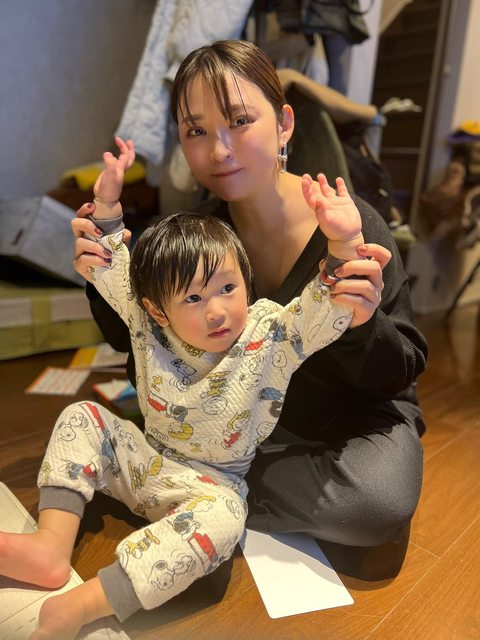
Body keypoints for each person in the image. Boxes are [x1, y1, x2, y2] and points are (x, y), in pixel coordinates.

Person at [75, 37, 424, 601]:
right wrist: (99, 268)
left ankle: (186, 492)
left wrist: (361, 324)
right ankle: (200, 491)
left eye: (240, 121)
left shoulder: (348, 227)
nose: (219, 150)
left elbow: (397, 374)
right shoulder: (198, 237)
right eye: (196, 131)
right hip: (235, 423)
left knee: (376, 502)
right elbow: (136, 338)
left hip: (347, 418)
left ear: (284, 124)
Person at [0, 129, 377, 638]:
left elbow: (326, 306)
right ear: (158, 310)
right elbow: (111, 265)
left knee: (226, 520)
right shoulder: (147, 321)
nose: (218, 310)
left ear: (245, 280)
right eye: (194, 299)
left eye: (228, 287)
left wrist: (343, 241)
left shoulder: (269, 332)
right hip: (143, 460)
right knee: (80, 415)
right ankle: (49, 546)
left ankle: (85, 604)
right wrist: (106, 204)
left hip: (209, 488)